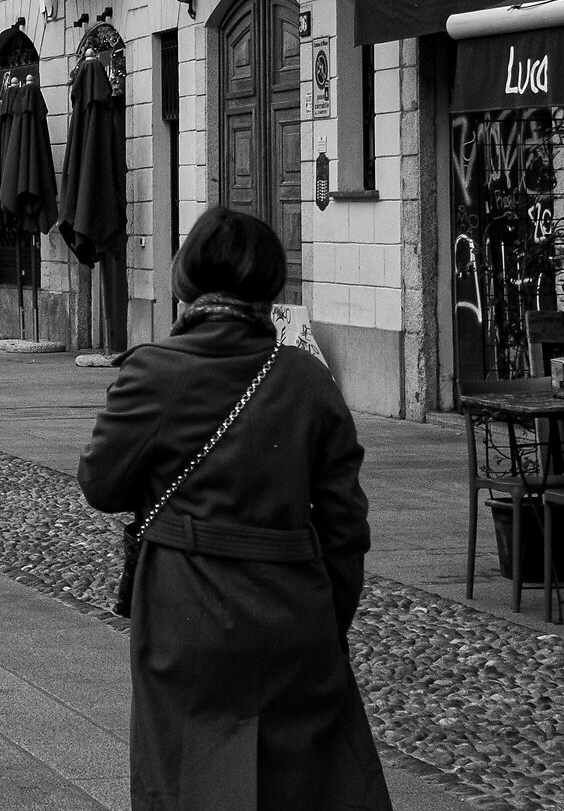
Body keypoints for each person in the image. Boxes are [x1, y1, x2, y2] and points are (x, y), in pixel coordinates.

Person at [76, 206, 389, 811]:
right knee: (301, 779)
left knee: (188, 774)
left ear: (185, 279)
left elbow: (102, 485)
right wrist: (329, 618)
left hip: (185, 604)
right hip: (293, 605)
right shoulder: (307, 378)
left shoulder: (156, 370)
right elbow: (345, 523)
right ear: (270, 285)